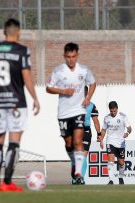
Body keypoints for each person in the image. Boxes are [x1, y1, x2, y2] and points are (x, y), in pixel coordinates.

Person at [0, 18, 40, 192]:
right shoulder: (22, 51)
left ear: (4, 32)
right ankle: (7, 182)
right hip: (16, 103)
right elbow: (26, 75)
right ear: (19, 31)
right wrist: (35, 97)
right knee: (14, 142)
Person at [46, 42, 96, 185]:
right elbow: (48, 88)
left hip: (78, 111)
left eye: (73, 56)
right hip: (63, 113)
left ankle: (79, 174)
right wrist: (62, 91)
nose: (71, 60)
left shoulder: (84, 71)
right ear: (64, 56)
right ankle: (75, 161)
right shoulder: (58, 71)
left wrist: (88, 98)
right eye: (68, 57)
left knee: (77, 141)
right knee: (68, 143)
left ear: (77, 55)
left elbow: (93, 83)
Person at [99, 101, 132, 185]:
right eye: (111, 111)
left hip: (120, 142)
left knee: (121, 162)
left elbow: (129, 128)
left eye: (114, 111)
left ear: (117, 108)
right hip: (110, 141)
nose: (113, 113)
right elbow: (103, 130)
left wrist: (127, 133)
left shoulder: (123, 116)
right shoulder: (106, 118)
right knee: (111, 159)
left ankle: (121, 177)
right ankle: (111, 180)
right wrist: (101, 140)